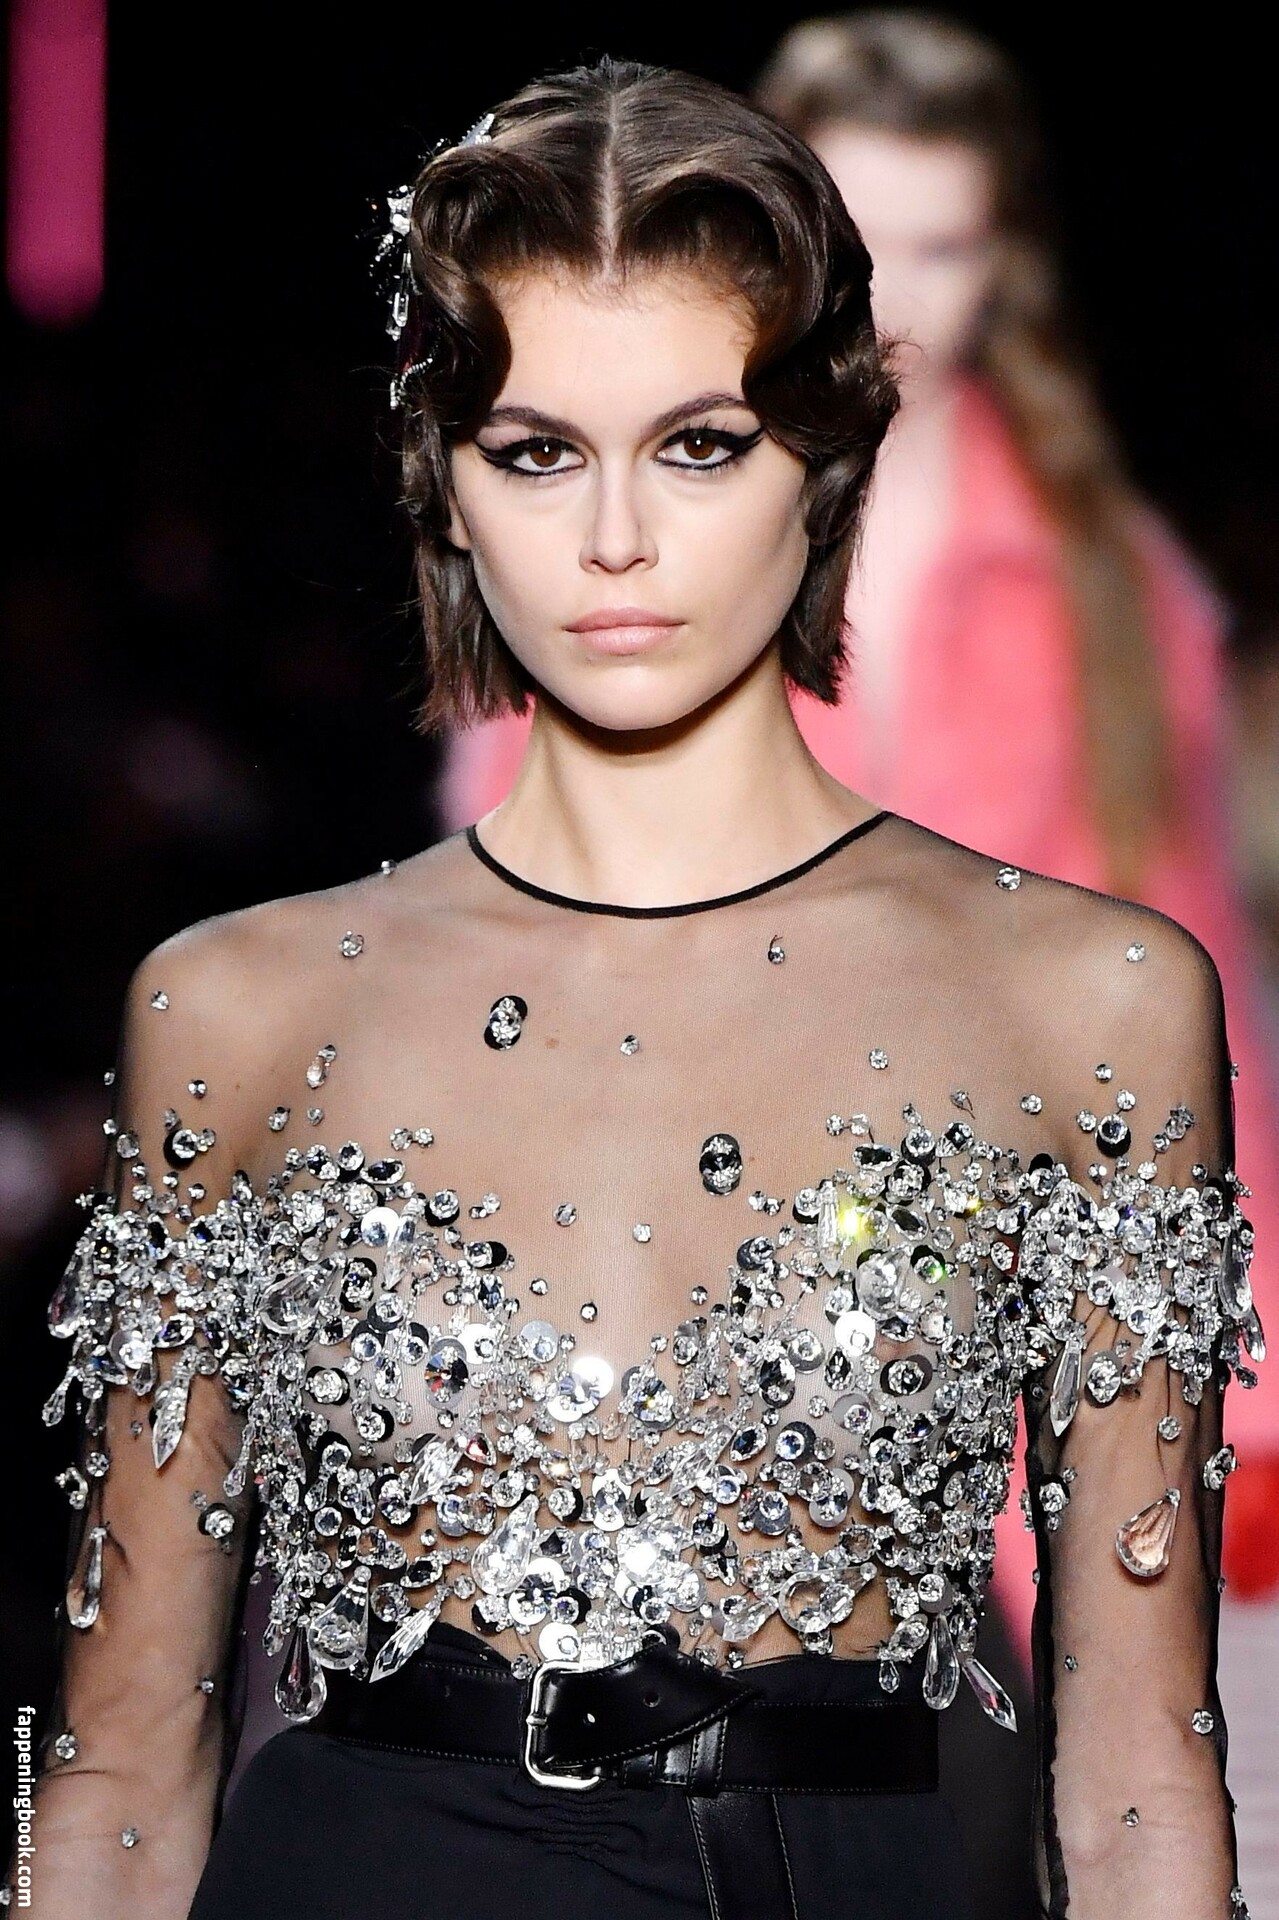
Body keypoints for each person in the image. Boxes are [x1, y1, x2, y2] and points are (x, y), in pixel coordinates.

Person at [17, 58, 1260, 1920]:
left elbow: (1143, 1777)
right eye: (535, 450)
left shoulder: (1086, 1004)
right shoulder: (241, 1010)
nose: (615, 538)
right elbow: (117, 1768)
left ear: (824, 460)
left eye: (700, 444)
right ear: (445, 487)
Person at [444, 10, 1279, 1654]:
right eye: (858, 239)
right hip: (669, 1308)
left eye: (945, 247)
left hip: (1016, 1337)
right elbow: (494, 946)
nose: (897, 302)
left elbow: (1183, 989)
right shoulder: (620, 533)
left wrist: (1236, 1366)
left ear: (1006, 263)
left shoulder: (1107, 584)